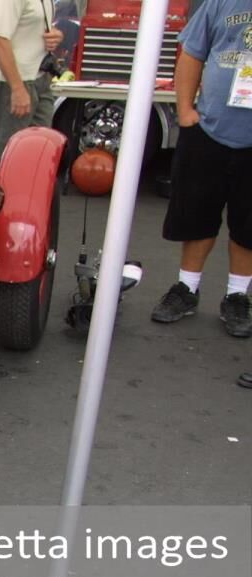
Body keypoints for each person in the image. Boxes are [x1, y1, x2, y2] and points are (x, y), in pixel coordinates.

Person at [151, 0, 252, 338]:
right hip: (209, 129)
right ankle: (186, 288)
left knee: (248, 224)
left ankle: (237, 295)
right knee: (195, 215)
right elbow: (192, 53)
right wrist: (184, 111)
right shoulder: (220, 2)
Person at [0, 0, 63, 177]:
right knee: (8, 150)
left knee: (39, 150)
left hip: (39, 77)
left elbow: (30, 26)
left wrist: (54, 35)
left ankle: (27, 200)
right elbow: (0, 41)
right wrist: (17, 89)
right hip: (15, 81)